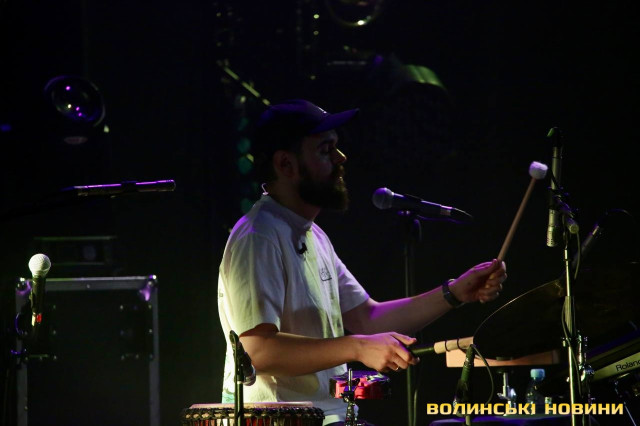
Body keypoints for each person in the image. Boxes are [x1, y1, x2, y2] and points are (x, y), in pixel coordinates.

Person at [217, 99, 507, 425]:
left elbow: (368, 318)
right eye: (326, 150)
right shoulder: (260, 236)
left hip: (328, 418)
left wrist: (454, 292)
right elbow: (257, 351)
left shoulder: (313, 236)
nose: (341, 158)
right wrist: (356, 347)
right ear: (286, 164)